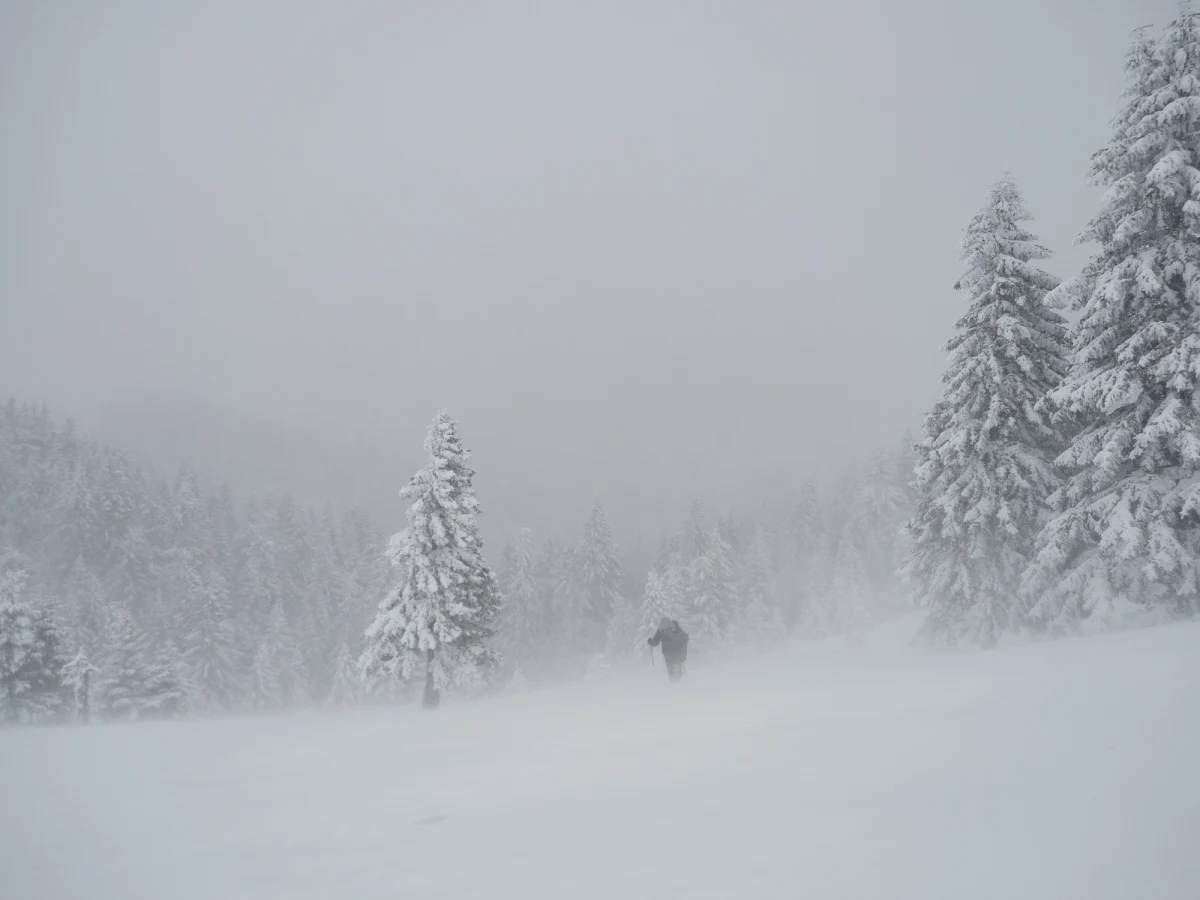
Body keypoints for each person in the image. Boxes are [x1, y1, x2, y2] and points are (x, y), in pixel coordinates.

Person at [648, 617, 688, 682]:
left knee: (670, 666)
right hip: (676, 650)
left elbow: (655, 642)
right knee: (677, 664)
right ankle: (678, 678)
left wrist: (650, 642)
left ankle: (672, 680)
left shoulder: (661, 630)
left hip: (667, 652)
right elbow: (683, 635)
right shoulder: (675, 627)